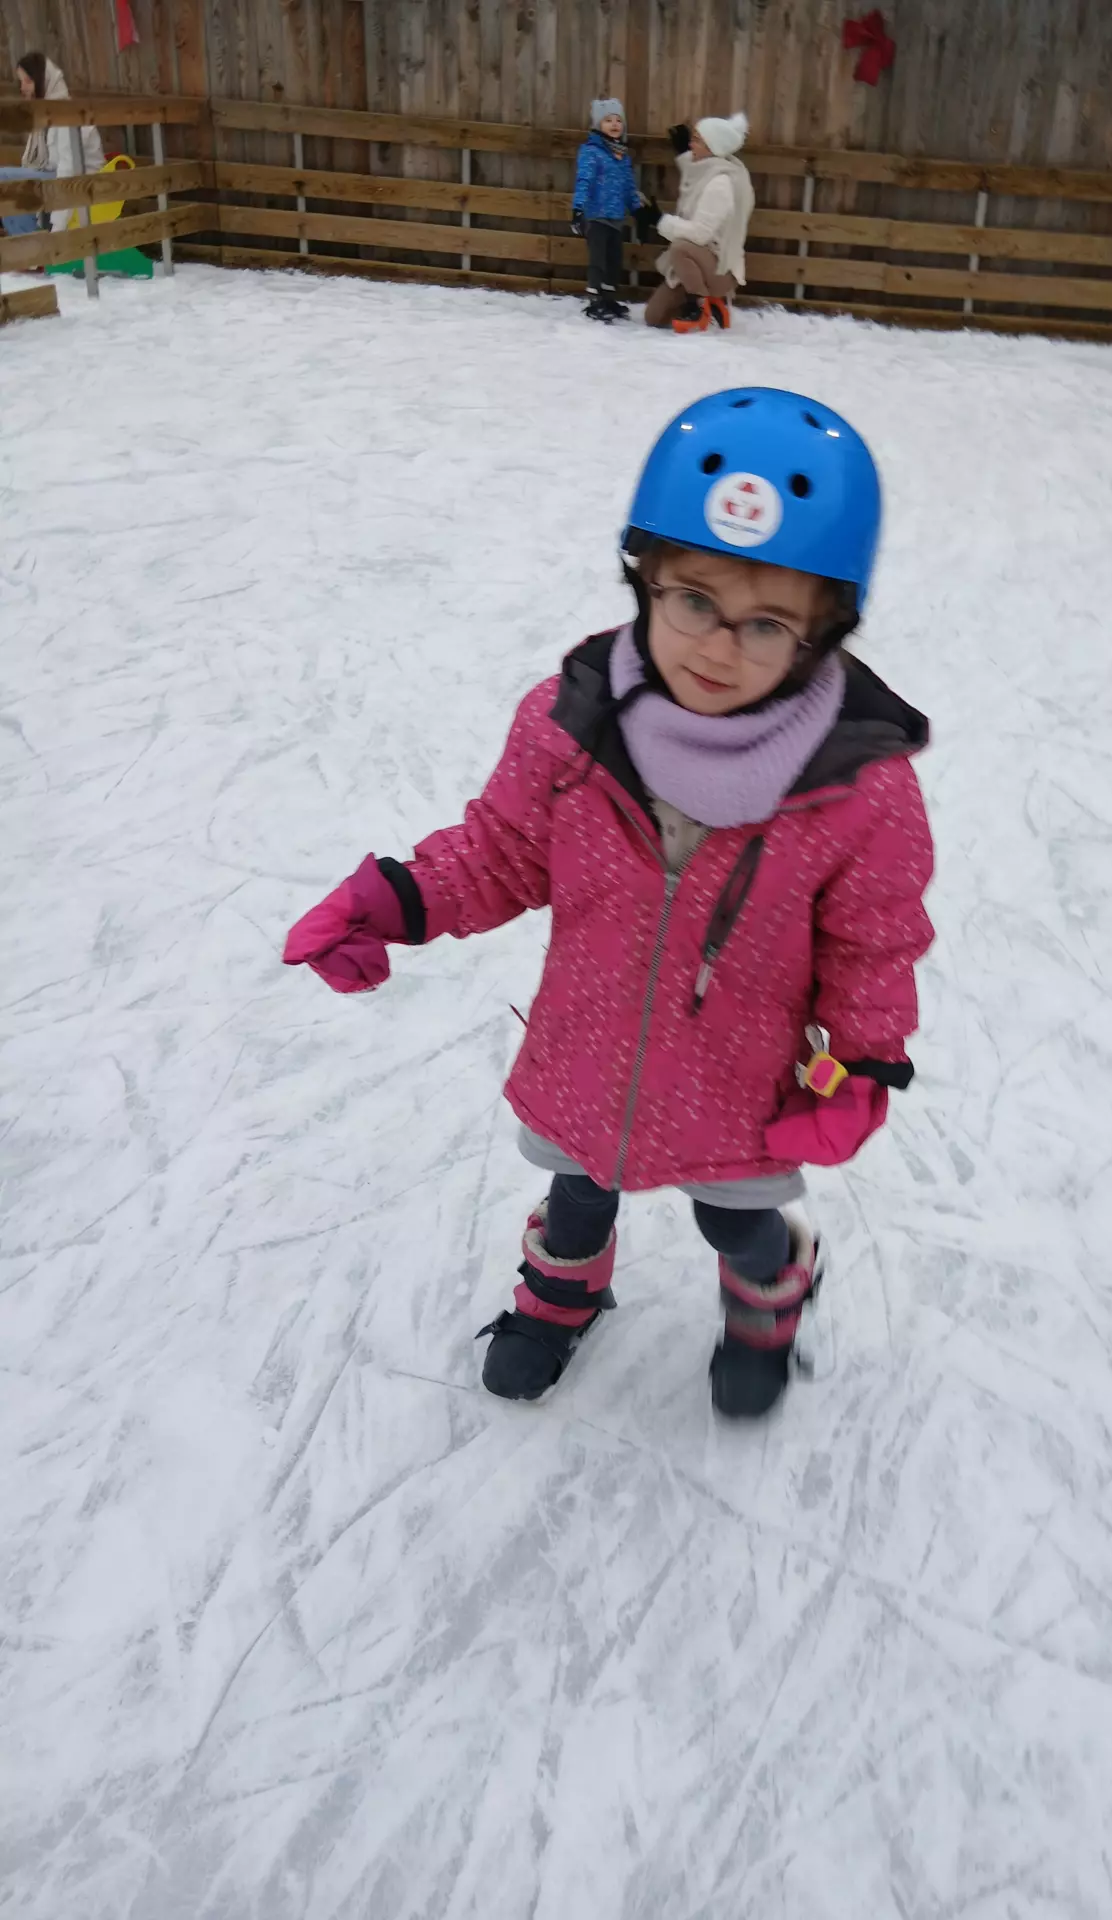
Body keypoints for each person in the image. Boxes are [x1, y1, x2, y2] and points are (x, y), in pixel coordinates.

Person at [284, 387, 935, 1421]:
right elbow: (501, 854)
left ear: (821, 633)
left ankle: (775, 1285)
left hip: (743, 1080)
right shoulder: (571, 728)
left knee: (739, 1221)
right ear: (647, 580)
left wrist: (862, 1059)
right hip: (591, 1045)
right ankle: (561, 1296)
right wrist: (395, 900)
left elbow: (874, 941)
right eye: (692, 602)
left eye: (764, 623)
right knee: (578, 1189)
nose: (717, 650)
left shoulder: (856, 787)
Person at [645, 111, 755, 333]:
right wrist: (684, 152)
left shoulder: (720, 183)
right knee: (654, 317)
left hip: (718, 269)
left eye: (696, 140)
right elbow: (694, 172)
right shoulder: (708, 170)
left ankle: (698, 304)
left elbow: (699, 234)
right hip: (698, 265)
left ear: (712, 147)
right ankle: (713, 304)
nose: (691, 145)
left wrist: (660, 221)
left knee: (680, 247)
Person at [1, 54, 104, 237]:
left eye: (28, 81)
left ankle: (32, 248)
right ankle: (29, 245)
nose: (22, 87)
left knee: (6, 178)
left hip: (85, 180)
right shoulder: (45, 115)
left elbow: (69, 171)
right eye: (21, 81)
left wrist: (58, 229)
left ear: (44, 81)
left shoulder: (64, 113)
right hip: (58, 175)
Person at [570, 97, 652, 323]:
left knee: (614, 261)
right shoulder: (591, 151)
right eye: (608, 120)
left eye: (618, 120)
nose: (615, 124)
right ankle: (595, 302)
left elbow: (628, 187)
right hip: (596, 217)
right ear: (598, 125)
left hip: (616, 218)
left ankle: (608, 298)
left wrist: (637, 211)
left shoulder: (621, 155)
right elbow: (583, 181)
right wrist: (577, 210)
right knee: (598, 261)